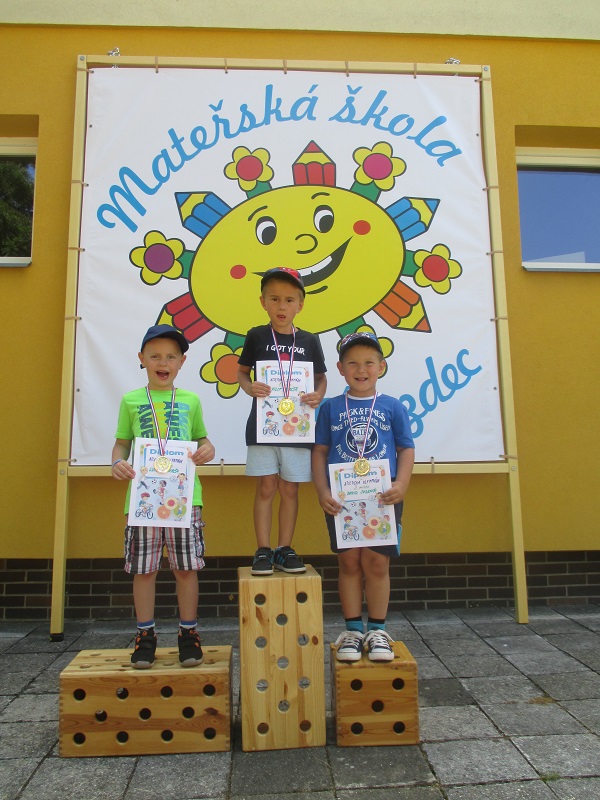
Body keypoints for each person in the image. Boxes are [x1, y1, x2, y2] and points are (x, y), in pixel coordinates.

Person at [111, 324, 215, 669]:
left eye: (171, 356)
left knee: (186, 568)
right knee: (144, 570)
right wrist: (117, 462)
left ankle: (188, 633)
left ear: (182, 362)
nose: (163, 362)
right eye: (155, 356)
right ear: (142, 359)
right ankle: (145, 634)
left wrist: (208, 449)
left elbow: (202, 439)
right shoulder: (131, 400)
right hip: (143, 501)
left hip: (184, 499)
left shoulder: (190, 400)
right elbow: (121, 444)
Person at [312, 331, 414, 661]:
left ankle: (378, 630)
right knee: (349, 562)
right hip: (341, 500)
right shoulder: (330, 408)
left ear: (381, 367)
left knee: (377, 562)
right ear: (340, 368)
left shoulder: (392, 406)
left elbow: (406, 448)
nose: (361, 369)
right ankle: (354, 631)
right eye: (353, 363)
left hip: (382, 499)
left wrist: (401, 484)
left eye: (369, 362)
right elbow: (319, 451)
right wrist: (322, 490)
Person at [237, 267, 327, 576]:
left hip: (298, 429)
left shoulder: (310, 340)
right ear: (263, 302)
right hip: (263, 428)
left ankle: (284, 548)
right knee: (266, 487)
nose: (281, 306)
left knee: (290, 489)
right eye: (274, 299)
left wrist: (317, 395)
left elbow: (321, 378)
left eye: (289, 300)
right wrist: (249, 387)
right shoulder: (256, 336)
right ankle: (263, 549)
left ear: (300, 305)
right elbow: (242, 373)